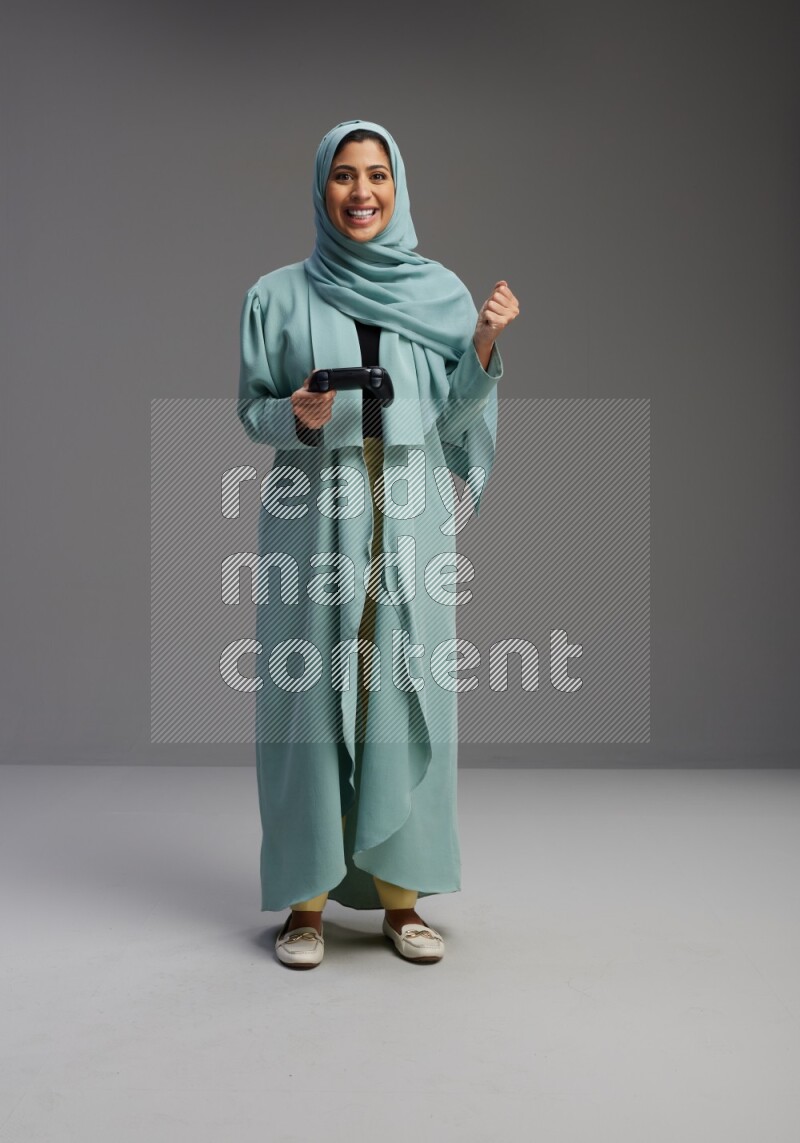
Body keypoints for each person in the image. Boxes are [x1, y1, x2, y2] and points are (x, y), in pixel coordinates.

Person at [237, 119, 519, 968]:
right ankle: (306, 904)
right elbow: (250, 408)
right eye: (344, 177)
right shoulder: (276, 296)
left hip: (408, 509)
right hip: (312, 508)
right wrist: (294, 414)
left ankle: (402, 900)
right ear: (321, 189)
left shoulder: (440, 294)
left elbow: (456, 417)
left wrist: (482, 349)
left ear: (398, 189)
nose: (362, 193)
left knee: (402, 690)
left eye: (378, 177)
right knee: (307, 698)